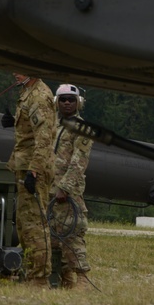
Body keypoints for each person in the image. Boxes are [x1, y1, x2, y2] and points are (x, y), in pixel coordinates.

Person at [10, 72, 57, 288]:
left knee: (35, 224)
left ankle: (39, 278)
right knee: (24, 224)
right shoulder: (27, 93)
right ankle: (31, 274)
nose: (13, 72)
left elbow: (44, 137)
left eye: (18, 69)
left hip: (33, 168)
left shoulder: (39, 95)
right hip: (25, 165)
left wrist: (34, 170)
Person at [50, 84, 94, 290]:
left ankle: (83, 278)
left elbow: (79, 161)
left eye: (71, 99)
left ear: (79, 103)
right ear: (56, 101)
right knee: (54, 237)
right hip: (50, 189)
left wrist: (65, 188)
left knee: (72, 233)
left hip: (68, 192)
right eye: (63, 99)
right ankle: (64, 279)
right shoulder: (55, 126)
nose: (67, 102)